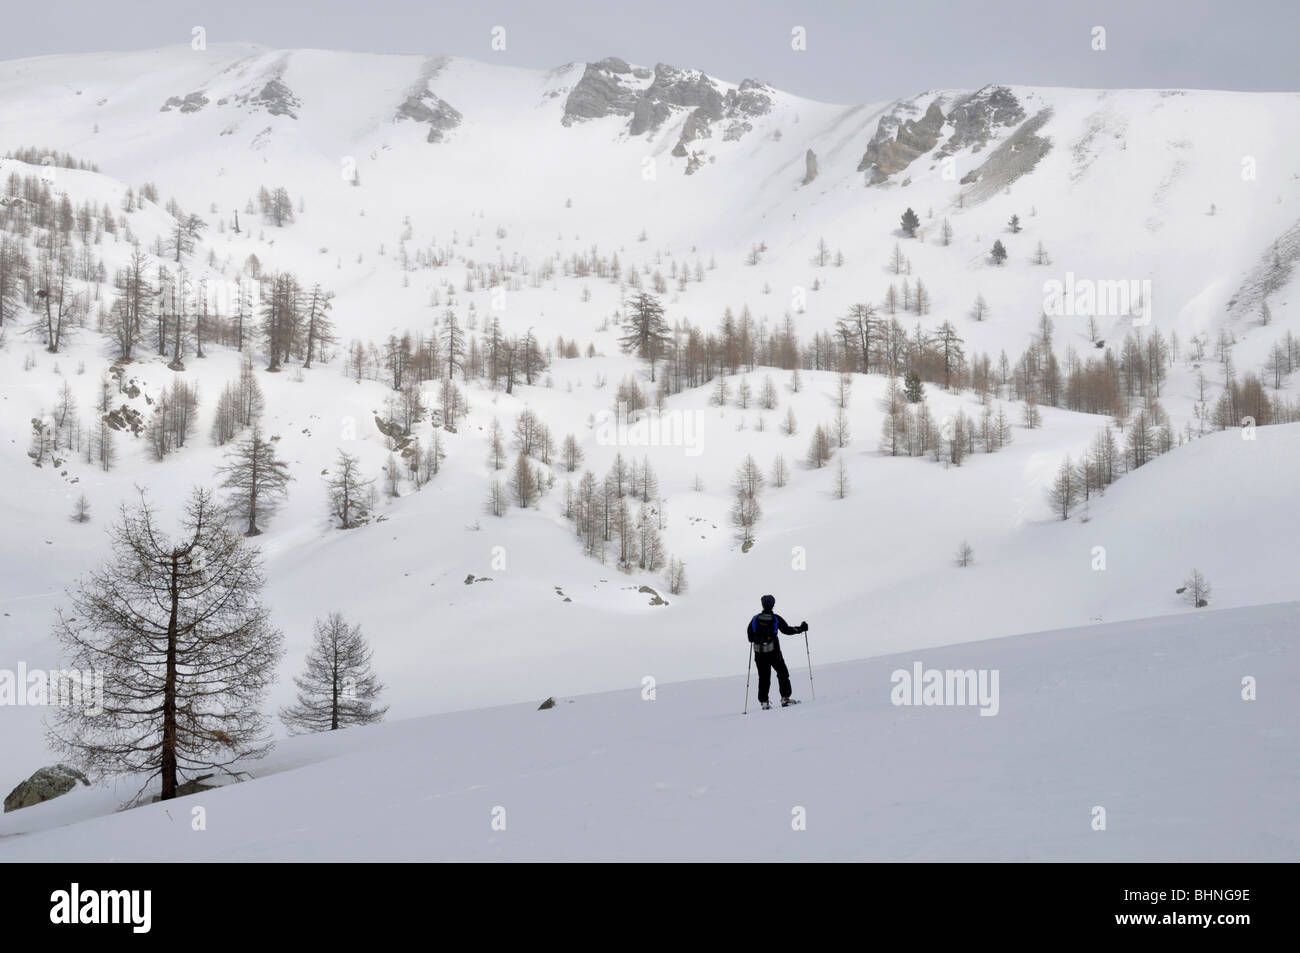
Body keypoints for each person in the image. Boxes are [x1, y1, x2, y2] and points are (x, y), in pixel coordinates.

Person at [746, 594, 807, 709]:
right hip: (774, 652)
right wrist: (801, 629)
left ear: (762, 604)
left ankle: (764, 702)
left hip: (759, 654)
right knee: (782, 673)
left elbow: (750, 637)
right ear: (773, 604)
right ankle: (785, 698)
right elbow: (787, 630)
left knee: (764, 677)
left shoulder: (755, 619)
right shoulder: (776, 618)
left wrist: (758, 638)